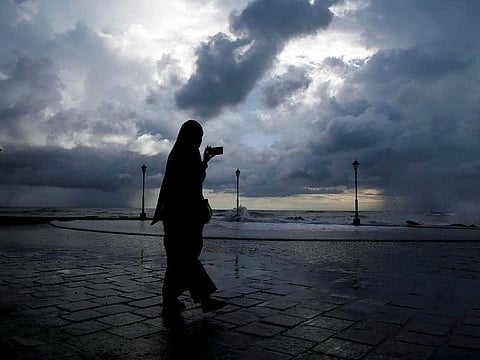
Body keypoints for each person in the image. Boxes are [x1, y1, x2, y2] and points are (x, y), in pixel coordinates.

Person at [152, 120, 227, 315]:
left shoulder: (176, 152)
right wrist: (204, 162)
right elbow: (195, 180)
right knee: (186, 258)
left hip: (173, 215)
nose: (200, 141)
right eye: (199, 137)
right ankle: (204, 298)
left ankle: (170, 299)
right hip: (184, 216)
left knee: (178, 260)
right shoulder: (189, 152)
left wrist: (203, 161)